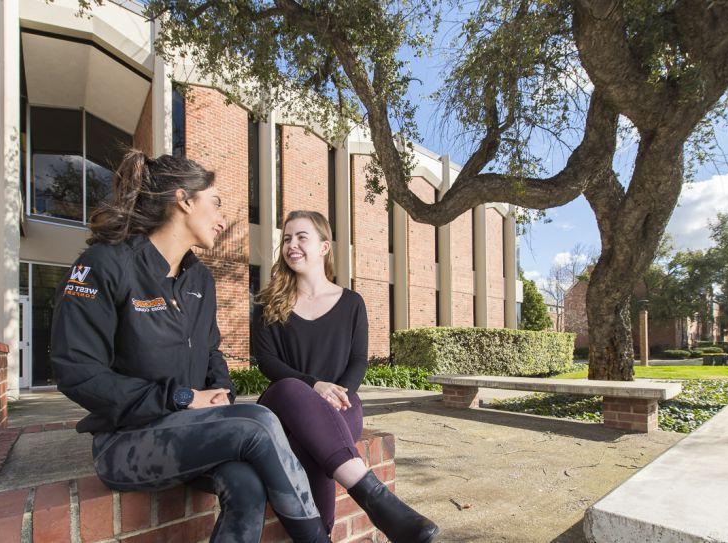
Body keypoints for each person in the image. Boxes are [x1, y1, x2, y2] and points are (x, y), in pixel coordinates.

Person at [51, 151, 331, 543]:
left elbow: (212, 353)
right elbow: (77, 372)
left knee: (247, 485)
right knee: (259, 420)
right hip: (126, 442)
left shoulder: (200, 278)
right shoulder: (103, 265)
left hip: (190, 430)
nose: (221, 219)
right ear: (183, 200)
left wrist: (220, 394)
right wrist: (181, 398)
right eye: (215, 204)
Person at [252, 210, 439, 543]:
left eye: (301, 237)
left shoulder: (352, 303)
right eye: (286, 239)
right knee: (294, 389)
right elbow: (267, 361)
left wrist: (338, 393)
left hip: (340, 404)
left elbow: (357, 361)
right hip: (283, 404)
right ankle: (380, 504)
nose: (291, 245)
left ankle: (317, 537)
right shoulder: (268, 302)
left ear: (324, 247)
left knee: (319, 438)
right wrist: (314, 386)